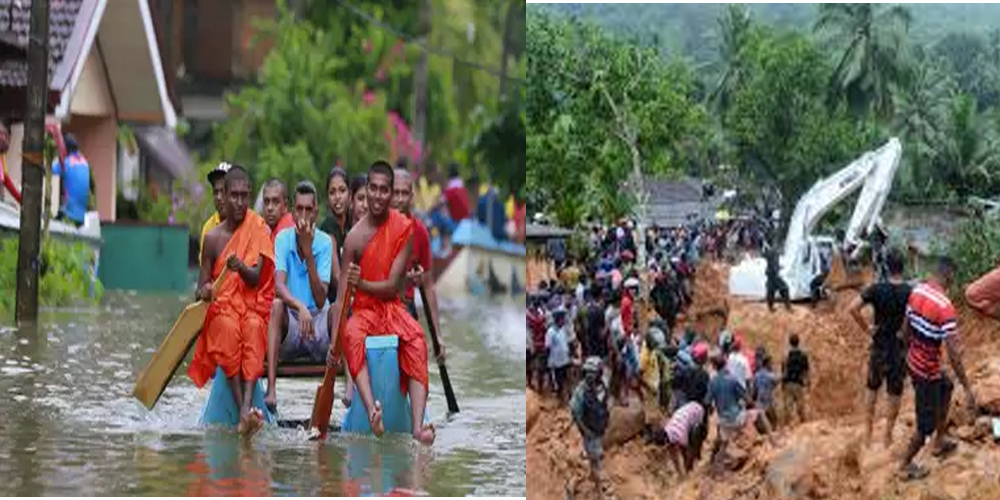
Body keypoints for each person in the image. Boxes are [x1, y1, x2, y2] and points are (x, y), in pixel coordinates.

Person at [327, 160, 441, 445]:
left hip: (392, 307)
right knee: (351, 334)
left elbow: (392, 285)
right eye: (373, 189)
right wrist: (333, 344)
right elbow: (342, 297)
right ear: (366, 190)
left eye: (383, 190)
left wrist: (361, 283)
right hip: (364, 310)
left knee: (416, 339)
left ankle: (417, 427)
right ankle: (370, 410)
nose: (377, 196)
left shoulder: (404, 228)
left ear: (391, 195)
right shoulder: (353, 238)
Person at [188, 166, 275, 438]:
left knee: (251, 326)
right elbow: (201, 286)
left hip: (250, 305)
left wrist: (240, 268)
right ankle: (242, 412)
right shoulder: (212, 238)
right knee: (226, 326)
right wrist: (204, 291)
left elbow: (257, 279)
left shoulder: (257, 226)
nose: (239, 202)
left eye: (244, 196)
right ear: (223, 197)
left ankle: (246, 406)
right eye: (233, 196)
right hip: (223, 309)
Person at [897, 256, 978, 481]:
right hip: (925, 372)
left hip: (915, 362)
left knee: (947, 385)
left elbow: (905, 331)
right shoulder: (945, 307)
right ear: (949, 276)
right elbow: (954, 355)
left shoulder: (917, 291)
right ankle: (905, 465)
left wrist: (909, 358)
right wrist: (968, 387)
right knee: (925, 426)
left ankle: (940, 441)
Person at [264, 181, 337, 413]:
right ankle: (271, 390)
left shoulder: (325, 242)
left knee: (336, 309)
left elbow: (319, 299)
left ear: (316, 211)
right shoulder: (283, 239)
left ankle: (343, 390)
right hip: (294, 322)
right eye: (300, 209)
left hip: (317, 323)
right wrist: (297, 305)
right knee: (276, 306)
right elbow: (279, 286)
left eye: (309, 209)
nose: (304, 215)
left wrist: (308, 252)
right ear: (293, 211)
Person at [848, 247, 911, 448]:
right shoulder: (910, 292)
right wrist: (904, 333)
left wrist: (868, 329)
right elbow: (912, 318)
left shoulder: (876, 289)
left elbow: (852, 308)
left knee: (872, 388)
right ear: (903, 267)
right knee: (895, 392)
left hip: (879, 346)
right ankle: (887, 436)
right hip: (898, 349)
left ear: (886, 266)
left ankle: (868, 434)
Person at [706, 348, 776, 469]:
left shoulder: (712, 382)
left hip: (724, 421)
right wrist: (750, 405)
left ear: (714, 367)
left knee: (724, 445)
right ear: (726, 364)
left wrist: (714, 409)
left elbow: (707, 402)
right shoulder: (732, 380)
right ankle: (773, 441)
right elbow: (748, 399)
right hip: (737, 418)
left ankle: (717, 469)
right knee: (760, 413)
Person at [392, 168, 440, 328]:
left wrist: (438, 336)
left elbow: (427, 285)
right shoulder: (375, 227)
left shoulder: (420, 232)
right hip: (379, 304)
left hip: (406, 307)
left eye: (404, 194)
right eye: (395, 193)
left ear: (411, 198)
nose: (399, 199)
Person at [570, 357, 610, 494]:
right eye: (589, 373)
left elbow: (605, 401)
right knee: (595, 460)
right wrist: (585, 430)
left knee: (596, 454)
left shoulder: (602, 383)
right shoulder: (581, 392)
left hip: (599, 426)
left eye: (594, 373)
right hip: (590, 431)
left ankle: (593, 477)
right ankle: (599, 490)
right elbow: (575, 413)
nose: (591, 376)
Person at [51, 134, 93, 226]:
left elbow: (49, 169)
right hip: (83, 215)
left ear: (65, 148)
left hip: (69, 212)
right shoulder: (85, 162)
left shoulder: (66, 163)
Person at [319, 167, 352, 269]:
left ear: (350, 194)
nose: (337, 197)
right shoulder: (328, 226)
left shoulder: (351, 225)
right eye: (332, 192)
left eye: (342, 191)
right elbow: (336, 277)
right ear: (328, 199)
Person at [199, 162, 232, 263]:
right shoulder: (208, 228)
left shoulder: (250, 222)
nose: (219, 197)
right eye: (216, 192)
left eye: (223, 191)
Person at [781, 334, 810, 426]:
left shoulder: (786, 356)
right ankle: (804, 425)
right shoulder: (803, 355)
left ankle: (787, 427)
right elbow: (806, 371)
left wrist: (783, 384)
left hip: (788, 383)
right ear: (798, 342)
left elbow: (783, 371)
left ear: (790, 343)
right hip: (798, 383)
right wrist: (808, 383)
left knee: (788, 409)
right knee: (800, 407)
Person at [546, 307, 573, 403]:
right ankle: (559, 401)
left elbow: (565, 344)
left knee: (568, 380)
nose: (564, 320)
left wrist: (569, 355)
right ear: (558, 319)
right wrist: (548, 362)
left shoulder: (562, 330)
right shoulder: (551, 332)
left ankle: (569, 398)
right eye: (562, 319)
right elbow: (548, 348)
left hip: (565, 360)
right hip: (556, 363)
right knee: (559, 383)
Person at [260, 178, 295, 242]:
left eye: (275, 202)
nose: (270, 208)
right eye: (266, 202)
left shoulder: (287, 229)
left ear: (285, 206)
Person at [752, 353, 779, 433]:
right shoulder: (770, 375)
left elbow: (754, 390)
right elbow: (777, 380)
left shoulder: (756, 375)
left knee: (762, 425)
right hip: (768, 403)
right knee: (774, 420)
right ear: (767, 364)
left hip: (759, 403)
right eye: (771, 363)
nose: (772, 365)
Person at [765, 245, 791, 312]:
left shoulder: (772, 253)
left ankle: (771, 307)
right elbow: (773, 265)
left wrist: (779, 267)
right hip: (773, 275)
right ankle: (787, 306)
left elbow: (772, 264)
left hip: (770, 275)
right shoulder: (775, 254)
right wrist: (777, 269)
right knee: (785, 288)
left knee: (771, 291)